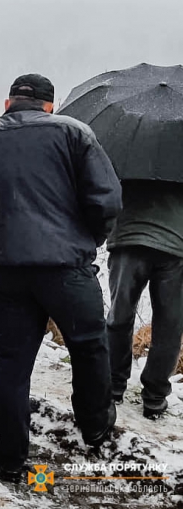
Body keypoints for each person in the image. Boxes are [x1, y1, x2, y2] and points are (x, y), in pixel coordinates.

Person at [0, 74, 122, 482]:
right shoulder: (75, 134)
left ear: (8, 104)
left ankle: (9, 457)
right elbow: (107, 199)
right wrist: (89, 238)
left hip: (5, 272)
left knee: (11, 361)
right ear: (49, 106)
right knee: (89, 346)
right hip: (66, 268)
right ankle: (94, 426)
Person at [107, 180, 183, 420]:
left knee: (119, 316)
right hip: (175, 244)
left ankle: (112, 385)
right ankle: (155, 396)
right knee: (170, 325)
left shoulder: (128, 148)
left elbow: (104, 186)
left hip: (128, 238)